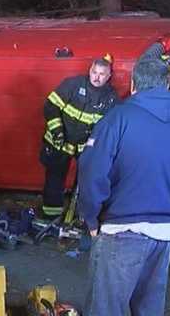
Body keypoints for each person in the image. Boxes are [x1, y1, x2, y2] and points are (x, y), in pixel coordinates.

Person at [78, 58, 170, 316]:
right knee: (148, 308)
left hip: (121, 230)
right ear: (168, 85)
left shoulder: (118, 119)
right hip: (164, 233)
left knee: (106, 308)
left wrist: (90, 218)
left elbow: (92, 172)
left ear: (134, 85)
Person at [39, 55, 118, 219]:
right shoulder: (72, 85)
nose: (96, 77)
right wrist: (57, 131)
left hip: (85, 147)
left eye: (102, 74)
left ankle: (80, 219)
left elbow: (109, 127)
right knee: (54, 180)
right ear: (89, 71)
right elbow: (50, 106)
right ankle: (49, 218)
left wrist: (94, 145)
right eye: (94, 72)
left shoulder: (111, 98)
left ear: (109, 76)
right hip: (59, 142)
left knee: (86, 184)